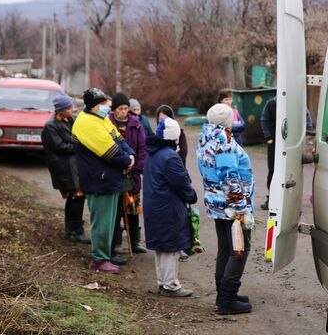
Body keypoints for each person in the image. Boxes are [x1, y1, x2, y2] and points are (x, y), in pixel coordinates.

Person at [197, 103, 254, 315]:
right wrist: (240, 208)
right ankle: (227, 300)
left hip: (216, 203)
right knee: (240, 250)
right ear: (227, 121)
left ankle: (224, 292)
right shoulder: (225, 141)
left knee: (225, 248)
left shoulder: (206, 138)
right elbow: (229, 176)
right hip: (231, 206)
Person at [72, 88, 135, 274]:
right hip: (99, 181)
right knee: (101, 223)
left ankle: (103, 257)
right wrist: (126, 160)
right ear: (93, 105)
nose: (106, 106)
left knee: (107, 222)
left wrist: (130, 155)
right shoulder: (86, 123)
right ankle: (99, 259)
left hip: (108, 179)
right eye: (102, 103)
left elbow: (118, 140)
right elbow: (109, 151)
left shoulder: (100, 119)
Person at [143, 117, 197, 297]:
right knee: (171, 246)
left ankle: (163, 281)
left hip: (155, 204)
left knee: (162, 246)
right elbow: (181, 182)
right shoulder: (170, 156)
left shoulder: (152, 152)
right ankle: (171, 285)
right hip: (167, 206)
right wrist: (191, 196)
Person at [41, 94, 90, 244]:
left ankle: (73, 230)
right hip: (64, 168)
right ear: (61, 110)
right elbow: (60, 147)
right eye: (69, 108)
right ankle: (74, 231)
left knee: (76, 197)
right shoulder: (51, 126)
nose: (72, 110)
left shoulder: (71, 120)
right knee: (75, 197)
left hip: (73, 166)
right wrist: (79, 146)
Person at [108, 93, 147, 266]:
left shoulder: (136, 124)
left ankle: (135, 240)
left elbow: (141, 149)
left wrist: (136, 168)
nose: (124, 112)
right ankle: (116, 244)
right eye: (120, 108)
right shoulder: (107, 123)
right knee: (116, 211)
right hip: (115, 173)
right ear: (114, 109)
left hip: (133, 174)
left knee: (132, 208)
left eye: (125, 108)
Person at [260, 97, 276, 210]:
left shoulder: (294, 102)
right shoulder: (271, 103)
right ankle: (271, 198)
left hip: (290, 144)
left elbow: (305, 116)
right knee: (273, 171)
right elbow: (264, 120)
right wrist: (269, 137)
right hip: (274, 143)